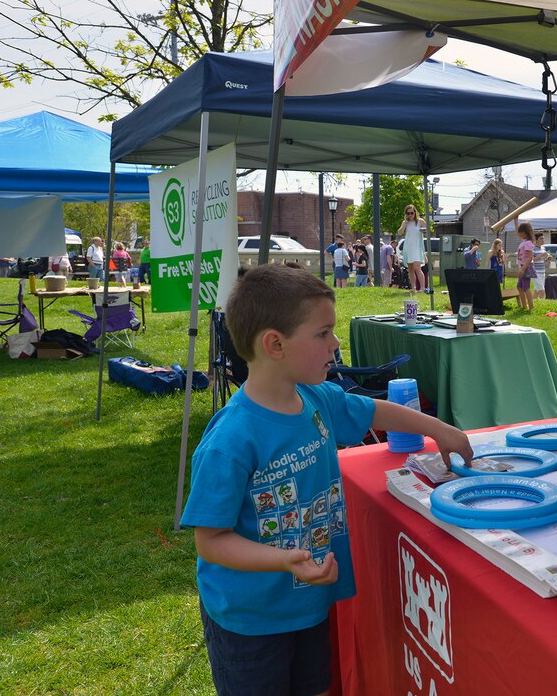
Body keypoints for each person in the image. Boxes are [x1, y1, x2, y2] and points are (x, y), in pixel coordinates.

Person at [180, 264, 473, 696]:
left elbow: (372, 411)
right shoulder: (230, 440)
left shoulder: (315, 398)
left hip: (309, 603)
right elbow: (211, 540)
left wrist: (439, 428)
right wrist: (282, 559)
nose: (335, 344)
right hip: (250, 619)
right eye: (323, 334)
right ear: (274, 344)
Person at [397, 204, 427, 293]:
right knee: (410, 268)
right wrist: (404, 224)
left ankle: (422, 288)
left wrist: (423, 230)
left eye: (412, 213)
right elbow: (399, 233)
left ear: (415, 212)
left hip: (417, 247)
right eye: (408, 213)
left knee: (417, 267)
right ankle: (413, 287)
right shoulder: (405, 222)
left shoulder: (420, 221)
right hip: (408, 247)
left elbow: (425, 230)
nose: (410, 215)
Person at [515, 221, 536, 312]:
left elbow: (530, 257)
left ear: (525, 232)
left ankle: (531, 307)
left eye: (521, 233)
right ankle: (524, 306)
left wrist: (523, 269)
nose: (519, 234)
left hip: (527, 267)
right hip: (523, 266)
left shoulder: (528, 243)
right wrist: (516, 220)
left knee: (525, 287)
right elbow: (517, 230)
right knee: (519, 287)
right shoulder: (524, 241)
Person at [532, 232, 549, 299]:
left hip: (542, 272)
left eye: (543, 238)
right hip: (535, 272)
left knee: (536, 290)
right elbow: (532, 259)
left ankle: (532, 304)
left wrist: (547, 259)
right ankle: (542, 307)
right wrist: (542, 255)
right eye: (541, 238)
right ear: (536, 240)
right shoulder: (532, 248)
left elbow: (543, 260)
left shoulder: (543, 248)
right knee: (542, 290)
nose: (543, 240)